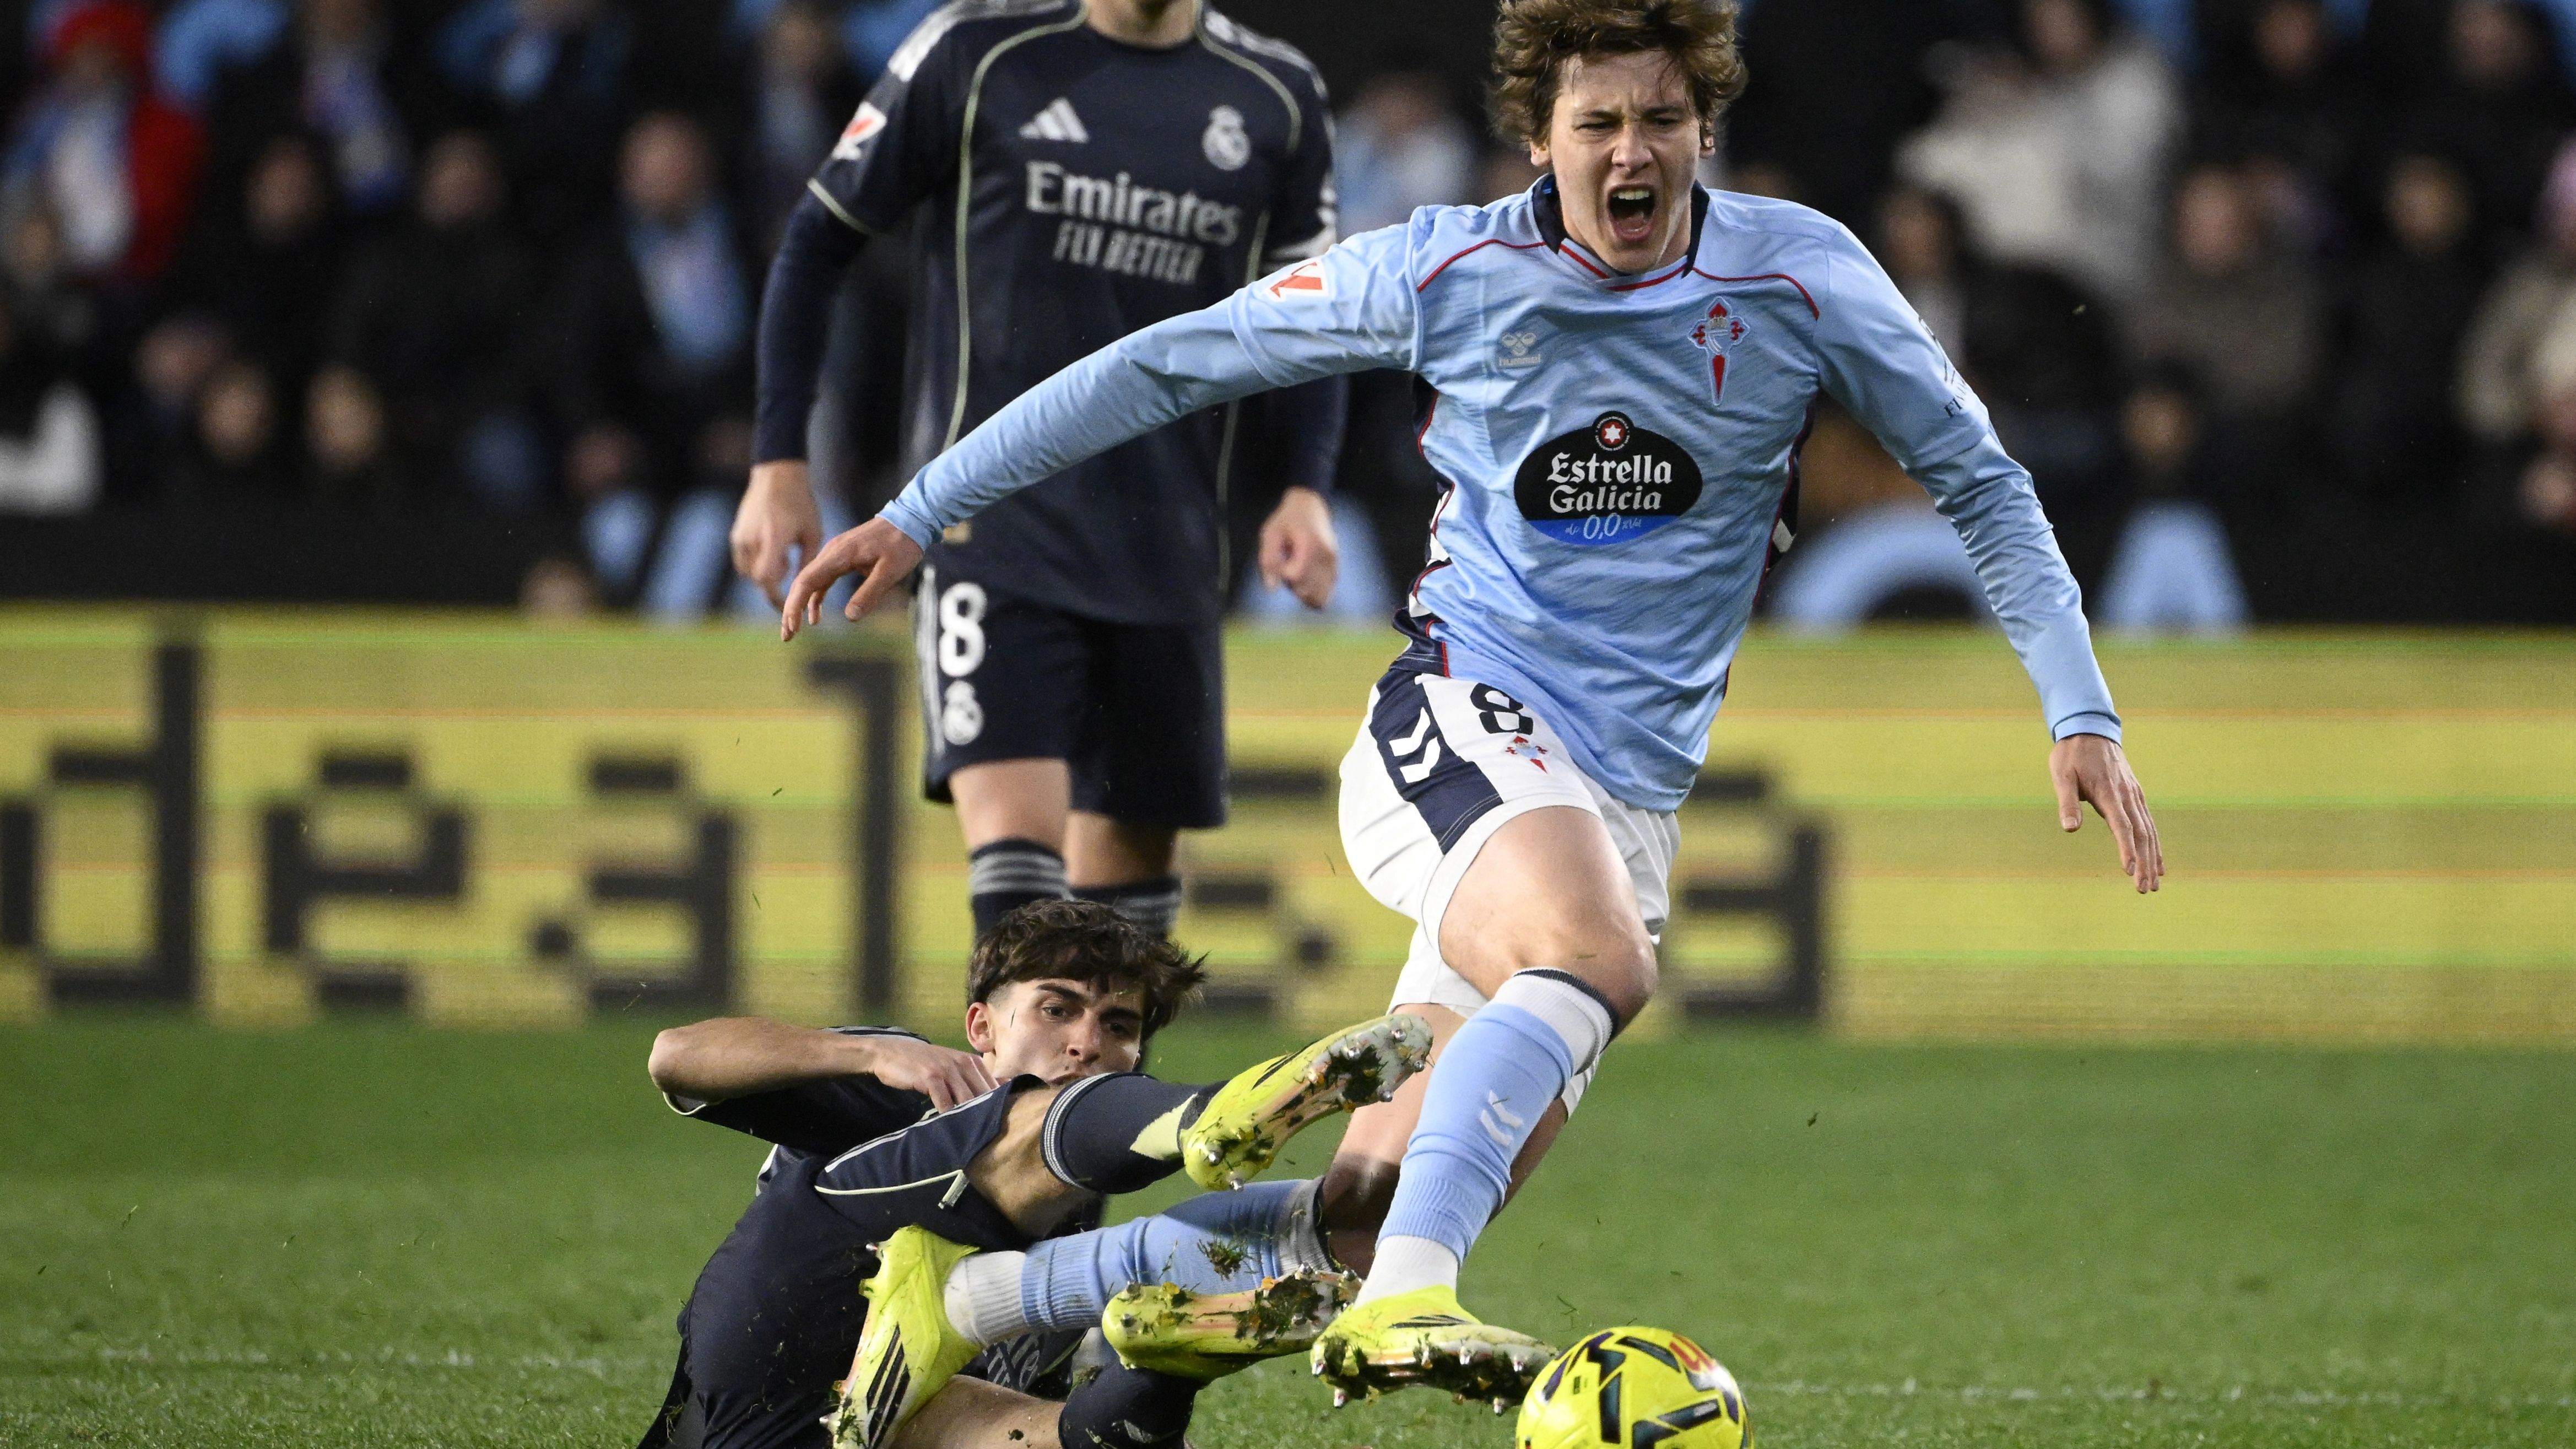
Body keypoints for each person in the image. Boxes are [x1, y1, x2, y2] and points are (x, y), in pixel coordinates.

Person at [778, 0, 2166, 1404]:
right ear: (1537, 139)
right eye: (1599, 124)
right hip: (1457, 716)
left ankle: (969, 1292)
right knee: (1600, 962)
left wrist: (2081, 710)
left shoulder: (1803, 278)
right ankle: (1403, 1314)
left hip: (1623, 800)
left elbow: (1983, 482)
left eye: (1664, 121)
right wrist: (921, 508)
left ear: (1704, 128)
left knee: (1371, 1205)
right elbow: (1165, 362)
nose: (1635, 153)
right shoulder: (1446, 269)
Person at [728, 0, 1349, 944]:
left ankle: (1102, 1100)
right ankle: (1018, 1091)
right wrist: (778, 459)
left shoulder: (1278, 95)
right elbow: (819, 239)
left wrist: (1305, 482)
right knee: (1022, 895)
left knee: (1126, 930)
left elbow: (1310, 317)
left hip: (1169, 546)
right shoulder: (976, 54)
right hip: (991, 534)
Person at [638, 897, 1433, 1449]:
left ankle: (1170, 1364)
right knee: (1019, 1123)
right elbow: (675, 1058)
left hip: (872, 1422)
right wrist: (866, 1050)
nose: (1086, 1041)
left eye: (1117, 1025)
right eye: (1057, 1009)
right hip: (765, 1372)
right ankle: (1218, 1115)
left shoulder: (1076, 1208)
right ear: (982, 1025)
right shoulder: (915, 1080)